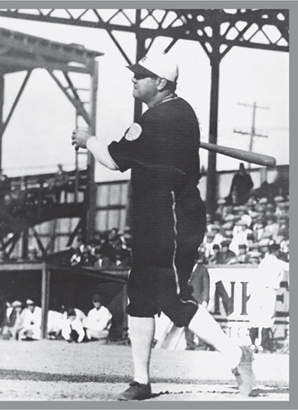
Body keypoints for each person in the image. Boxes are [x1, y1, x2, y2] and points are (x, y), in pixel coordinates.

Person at [71, 50, 255, 399]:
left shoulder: (156, 120)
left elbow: (111, 160)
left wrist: (88, 140)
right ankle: (141, 381)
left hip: (171, 217)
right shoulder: (177, 113)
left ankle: (236, 354)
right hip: (159, 216)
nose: (134, 78)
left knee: (169, 296)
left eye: (141, 74)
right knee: (140, 297)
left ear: (160, 82)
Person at [247, 243, 289, 353]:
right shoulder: (277, 262)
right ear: (275, 251)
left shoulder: (263, 261)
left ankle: (252, 344)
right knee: (267, 319)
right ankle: (263, 345)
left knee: (255, 318)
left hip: (257, 289)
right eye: (278, 251)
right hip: (268, 291)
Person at [184, 254, 211, 350]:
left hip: (198, 300)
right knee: (187, 322)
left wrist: (205, 300)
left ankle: (202, 344)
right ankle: (190, 344)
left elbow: (206, 286)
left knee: (201, 323)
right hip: (187, 300)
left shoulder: (202, 269)